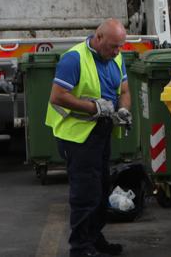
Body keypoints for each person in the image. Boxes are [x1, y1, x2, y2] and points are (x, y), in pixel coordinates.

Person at [46, 18, 131, 257]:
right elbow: (57, 96)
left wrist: (123, 109)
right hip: (77, 136)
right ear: (99, 37)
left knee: (102, 188)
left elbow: (124, 91)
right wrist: (93, 107)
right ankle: (80, 248)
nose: (117, 51)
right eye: (113, 46)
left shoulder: (116, 57)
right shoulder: (74, 59)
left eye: (120, 47)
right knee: (86, 193)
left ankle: (94, 237)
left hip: (101, 132)